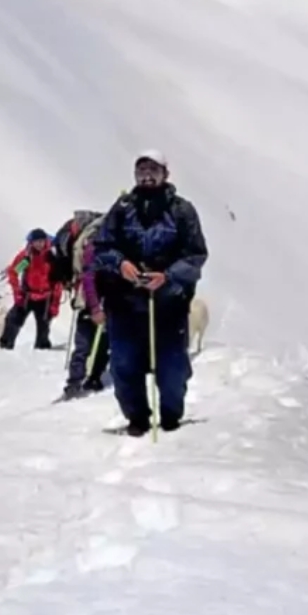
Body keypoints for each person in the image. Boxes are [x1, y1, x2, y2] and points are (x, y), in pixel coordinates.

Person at [90, 151, 208, 435]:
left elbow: (196, 255)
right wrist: (122, 265)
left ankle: (171, 417)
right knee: (124, 366)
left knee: (173, 369)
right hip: (125, 302)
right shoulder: (122, 209)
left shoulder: (182, 211)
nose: (146, 175)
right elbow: (101, 248)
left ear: (165, 174)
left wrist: (167, 276)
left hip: (168, 304)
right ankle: (137, 419)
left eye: (153, 169)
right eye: (141, 169)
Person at [53, 208, 109, 398]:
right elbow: (89, 274)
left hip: (86, 296)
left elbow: (86, 275)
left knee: (84, 340)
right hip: (100, 297)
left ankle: (75, 381)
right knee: (101, 339)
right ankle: (93, 378)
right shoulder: (100, 245)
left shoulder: (86, 243)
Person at [0, 228, 62, 349]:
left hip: (46, 298)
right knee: (13, 321)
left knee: (43, 327)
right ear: (31, 242)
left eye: (42, 241)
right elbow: (13, 272)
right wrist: (17, 293)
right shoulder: (26, 257)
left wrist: (55, 304)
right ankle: (5, 346)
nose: (39, 244)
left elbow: (58, 282)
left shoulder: (52, 257)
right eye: (36, 241)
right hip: (27, 296)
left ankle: (42, 350)